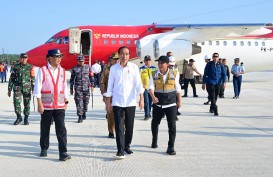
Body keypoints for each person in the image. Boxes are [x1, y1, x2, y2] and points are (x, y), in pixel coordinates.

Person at [105, 46, 144, 160]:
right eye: (122, 53)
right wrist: (108, 102)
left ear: (129, 56)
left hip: (131, 102)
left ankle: (127, 145)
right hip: (117, 102)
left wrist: (141, 99)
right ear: (119, 54)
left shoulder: (134, 67)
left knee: (130, 127)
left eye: (126, 54)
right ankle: (120, 150)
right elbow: (110, 86)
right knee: (119, 127)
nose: (124, 56)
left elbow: (138, 84)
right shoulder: (113, 69)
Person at [34, 49, 71, 161]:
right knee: (45, 128)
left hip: (59, 105)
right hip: (46, 105)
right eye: (56, 56)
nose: (59, 59)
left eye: (60, 57)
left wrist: (66, 101)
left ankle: (63, 152)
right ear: (49, 58)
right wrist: (39, 104)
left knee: (61, 129)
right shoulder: (43, 70)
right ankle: (44, 148)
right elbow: (37, 88)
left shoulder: (63, 71)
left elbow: (65, 87)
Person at [149, 55, 182, 155]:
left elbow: (178, 88)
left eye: (161, 63)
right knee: (155, 123)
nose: (159, 65)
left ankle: (170, 147)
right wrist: (153, 97)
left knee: (172, 126)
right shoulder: (154, 73)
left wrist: (179, 101)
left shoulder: (174, 74)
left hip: (171, 103)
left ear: (167, 64)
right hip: (158, 104)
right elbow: (151, 87)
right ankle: (154, 140)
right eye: (158, 63)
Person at [7, 53, 35, 125]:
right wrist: (9, 89)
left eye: (25, 58)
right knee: (16, 103)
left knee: (27, 103)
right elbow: (11, 78)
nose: (23, 59)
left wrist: (33, 88)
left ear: (27, 59)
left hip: (27, 88)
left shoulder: (30, 67)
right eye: (22, 58)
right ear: (19, 59)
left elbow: (33, 78)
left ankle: (26, 118)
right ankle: (19, 117)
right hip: (17, 88)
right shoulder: (16, 67)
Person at [100, 52, 120, 138]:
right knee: (110, 114)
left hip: (120, 95)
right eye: (114, 59)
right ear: (110, 60)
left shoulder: (121, 68)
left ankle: (120, 130)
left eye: (117, 59)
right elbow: (102, 83)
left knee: (121, 115)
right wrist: (104, 95)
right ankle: (111, 131)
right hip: (110, 96)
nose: (115, 61)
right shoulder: (107, 69)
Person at [70, 55, 94, 123]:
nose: (81, 63)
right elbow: (72, 79)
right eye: (80, 61)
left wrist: (92, 86)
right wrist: (71, 88)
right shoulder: (74, 68)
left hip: (86, 88)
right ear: (77, 61)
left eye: (82, 61)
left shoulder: (88, 67)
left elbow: (91, 77)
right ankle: (80, 116)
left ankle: (84, 112)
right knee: (79, 102)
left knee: (85, 102)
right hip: (78, 89)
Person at [139, 55, 157, 120]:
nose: (148, 61)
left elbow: (156, 79)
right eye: (146, 60)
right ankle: (146, 115)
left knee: (150, 101)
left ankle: (149, 113)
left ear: (151, 61)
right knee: (146, 101)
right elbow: (139, 78)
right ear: (144, 61)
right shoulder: (141, 69)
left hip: (152, 88)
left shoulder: (154, 68)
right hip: (145, 88)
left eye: (149, 60)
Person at [168, 56, 181, 121]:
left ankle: (174, 115)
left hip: (173, 90)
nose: (171, 66)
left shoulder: (176, 70)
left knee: (174, 104)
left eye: (172, 65)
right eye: (170, 65)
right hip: (166, 90)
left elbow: (176, 82)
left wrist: (178, 93)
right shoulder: (163, 70)